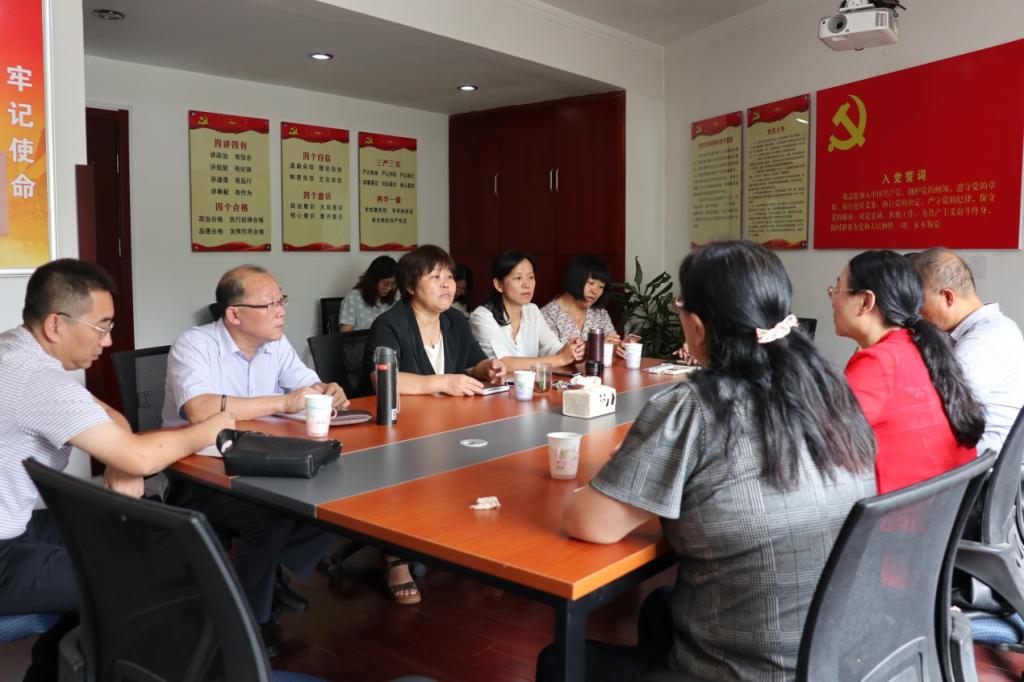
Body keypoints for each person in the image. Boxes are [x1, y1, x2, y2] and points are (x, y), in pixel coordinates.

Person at [537, 240, 876, 681]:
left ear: (696, 327)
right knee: (660, 607)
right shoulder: (829, 388)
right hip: (842, 655)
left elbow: (590, 523)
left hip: (752, 670)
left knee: (555, 660)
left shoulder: (695, 405)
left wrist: (616, 473)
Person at [0, 259, 233, 682]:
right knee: (144, 574)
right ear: (55, 324)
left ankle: (55, 672)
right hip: (3, 553)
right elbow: (142, 458)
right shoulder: (35, 379)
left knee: (120, 531)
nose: (107, 341)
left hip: (14, 529)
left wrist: (117, 458)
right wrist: (211, 428)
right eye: (101, 327)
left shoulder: (16, 349)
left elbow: (110, 419)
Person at [162, 264, 347, 655]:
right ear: (234, 314)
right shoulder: (194, 345)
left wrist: (327, 391)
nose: (281, 311)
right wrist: (283, 402)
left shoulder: (274, 344)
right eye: (270, 304)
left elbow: (305, 387)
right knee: (269, 520)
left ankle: (266, 574)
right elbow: (199, 409)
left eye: (282, 300)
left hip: (266, 463)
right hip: (202, 473)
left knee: (340, 490)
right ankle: (249, 625)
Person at [830, 250, 984, 493]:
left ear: (866, 301)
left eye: (838, 289)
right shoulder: (918, 348)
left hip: (899, 512)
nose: (833, 300)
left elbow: (824, 444)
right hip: (941, 508)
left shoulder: (879, 362)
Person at [908, 247, 1024, 455]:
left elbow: (936, 407)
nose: (918, 313)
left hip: (984, 466)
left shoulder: (986, 339)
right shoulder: (969, 332)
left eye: (920, 303)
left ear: (947, 297)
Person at [365, 245, 506, 396]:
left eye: (449, 276)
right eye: (435, 277)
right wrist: (444, 383)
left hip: (448, 409)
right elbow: (384, 380)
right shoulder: (388, 325)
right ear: (410, 286)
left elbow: (473, 364)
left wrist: (487, 368)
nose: (446, 284)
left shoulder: (457, 320)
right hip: (403, 410)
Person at [469, 251, 584, 370]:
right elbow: (502, 363)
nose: (527, 285)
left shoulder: (532, 311)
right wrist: (560, 359)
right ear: (498, 285)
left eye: (531, 277)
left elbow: (551, 347)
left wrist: (572, 349)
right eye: (518, 278)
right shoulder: (482, 316)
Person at [540, 255, 638, 354]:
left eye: (601, 287)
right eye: (591, 283)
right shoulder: (545, 315)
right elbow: (556, 356)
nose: (595, 291)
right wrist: (597, 346)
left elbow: (611, 344)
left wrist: (617, 347)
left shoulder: (600, 314)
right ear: (575, 279)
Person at [339, 255, 398, 332]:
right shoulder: (353, 298)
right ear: (373, 280)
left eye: (393, 284)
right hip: (364, 340)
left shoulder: (396, 297)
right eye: (385, 283)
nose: (389, 288)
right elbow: (345, 333)